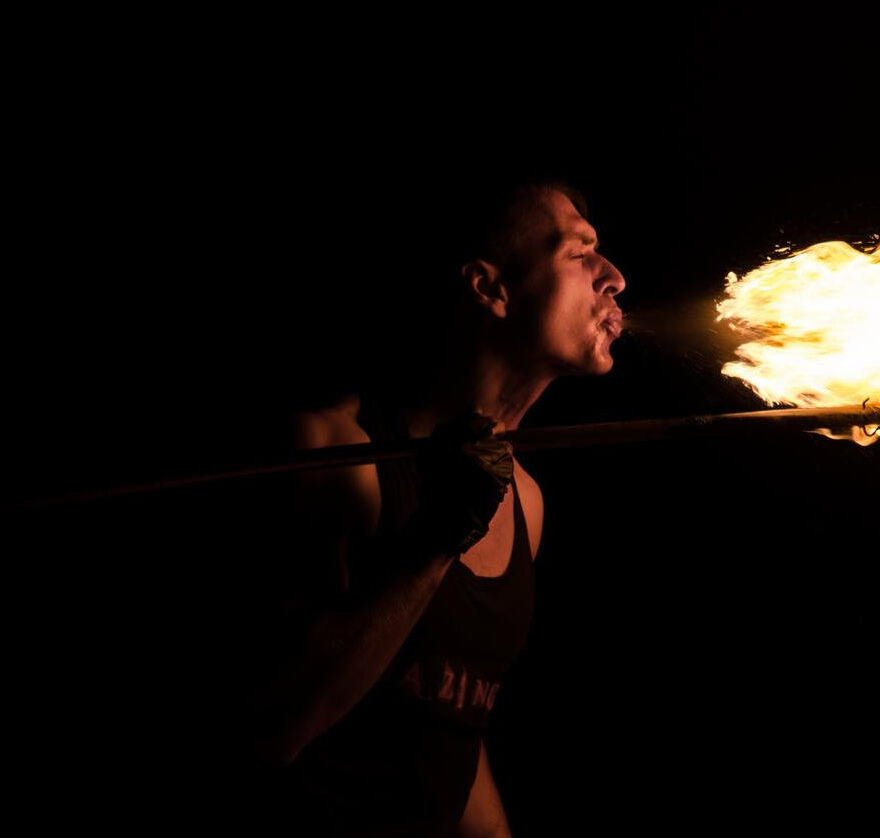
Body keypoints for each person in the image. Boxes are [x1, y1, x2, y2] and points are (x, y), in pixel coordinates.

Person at [247, 179, 626, 835]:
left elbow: (446, 727)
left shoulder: (526, 503)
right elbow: (269, 731)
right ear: (490, 288)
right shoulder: (339, 453)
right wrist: (437, 537)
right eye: (578, 251)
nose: (614, 276)